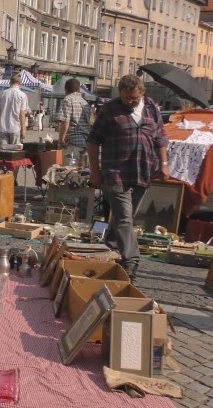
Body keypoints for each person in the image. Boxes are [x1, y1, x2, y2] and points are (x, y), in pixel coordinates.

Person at [87, 74, 170, 283]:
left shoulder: (151, 108)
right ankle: (131, 261)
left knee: (127, 216)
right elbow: (93, 141)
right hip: (115, 171)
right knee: (124, 217)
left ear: (142, 93)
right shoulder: (109, 109)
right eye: (124, 98)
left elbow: (160, 137)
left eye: (132, 98)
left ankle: (110, 245)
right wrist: (94, 170)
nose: (128, 102)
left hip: (143, 170)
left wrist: (164, 163)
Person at [57, 78, 92, 166]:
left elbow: (65, 122)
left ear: (66, 89)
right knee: (80, 172)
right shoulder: (85, 102)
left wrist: (61, 139)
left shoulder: (68, 100)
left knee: (69, 171)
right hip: (84, 141)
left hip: (72, 141)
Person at [0, 73, 29, 147]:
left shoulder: (2, 94)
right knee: (14, 153)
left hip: (2, 127)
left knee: (2, 153)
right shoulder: (22, 95)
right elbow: (22, 114)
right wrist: (23, 129)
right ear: (20, 83)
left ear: (10, 82)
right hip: (15, 127)